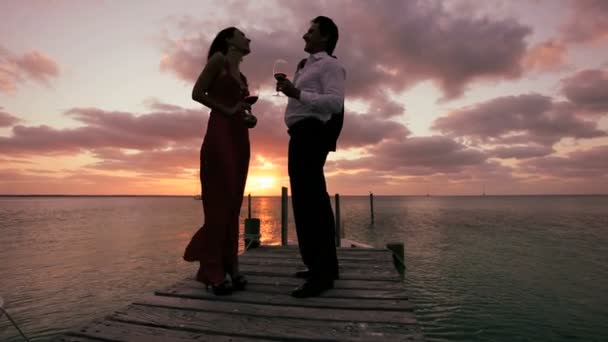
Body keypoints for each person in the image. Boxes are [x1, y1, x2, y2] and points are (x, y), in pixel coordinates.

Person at [276, 16, 346, 298]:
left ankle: (323, 274)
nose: (304, 36)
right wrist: (295, 92)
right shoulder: (305, 66)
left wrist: (297, 93)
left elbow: (335, 102)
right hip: (300, 135)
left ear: (325, 37)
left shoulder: (331, 65)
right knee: (309, 201)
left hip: (311, 134)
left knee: (311, 203)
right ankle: (321, 265)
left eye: (311, 32)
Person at [183, 27, 254, 295]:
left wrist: (249, 118)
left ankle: (232, 267)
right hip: (220, 134)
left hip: (240, 137)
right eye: (242, 34)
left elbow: (244, 108)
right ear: (229, 40)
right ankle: (212, 271)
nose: (248, 38)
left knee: (234, 205)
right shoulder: (218, 61)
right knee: (218, 204)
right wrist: (228, 110)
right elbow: (197, 93)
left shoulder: (243, 76)